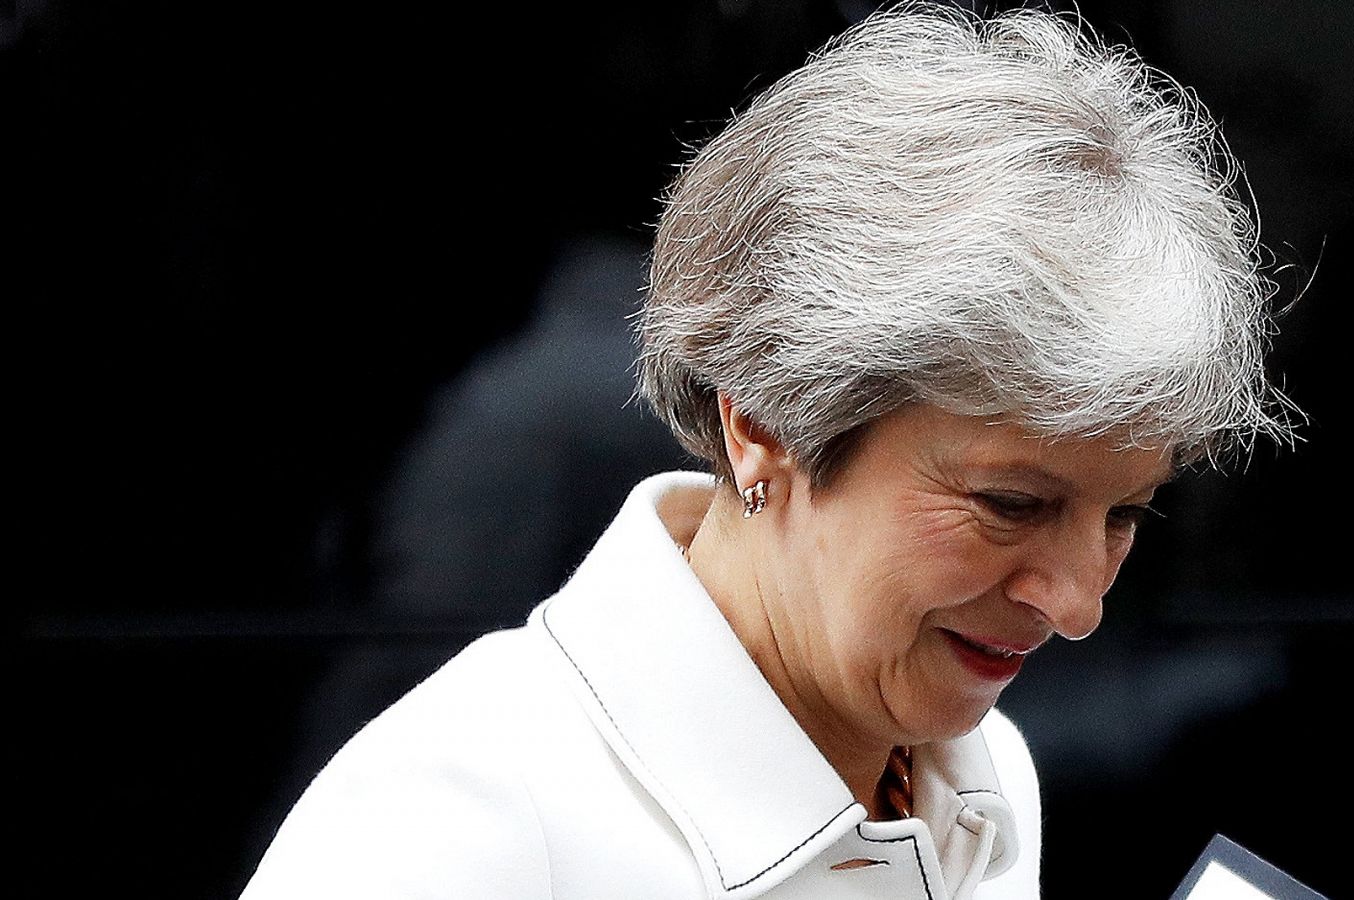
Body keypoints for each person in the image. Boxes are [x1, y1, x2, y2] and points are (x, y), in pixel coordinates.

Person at [240, 5, 1293, 899]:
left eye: (1123, 516)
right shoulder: (457, 823)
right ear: (762, 423)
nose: (1076, 604)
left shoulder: (981, 771)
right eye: (1010, 505)